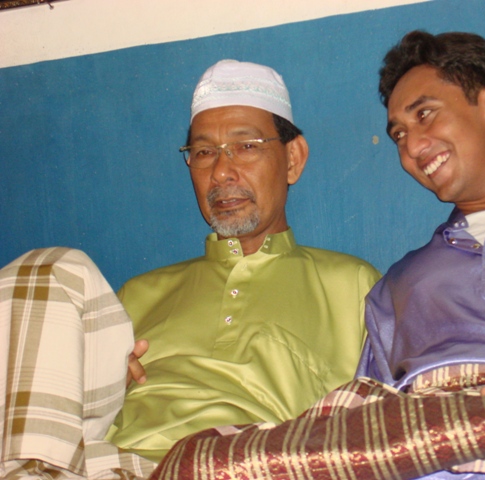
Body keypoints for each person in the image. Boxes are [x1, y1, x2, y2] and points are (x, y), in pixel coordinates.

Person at [151, 32, 485, 480]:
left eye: (424, 115)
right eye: (399, 134)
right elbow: (368, 425)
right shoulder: (401, 284)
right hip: (428, 450)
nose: (412, 148)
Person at [0, 60, 380, 479]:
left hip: (248, 462)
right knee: (49, 268)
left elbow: (379, 421)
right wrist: (97, 388)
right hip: (113, 466)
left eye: (246, 146)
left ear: (293, 158)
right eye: (203, 153)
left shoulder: (353, 284)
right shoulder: (135, 294)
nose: (220, 172)